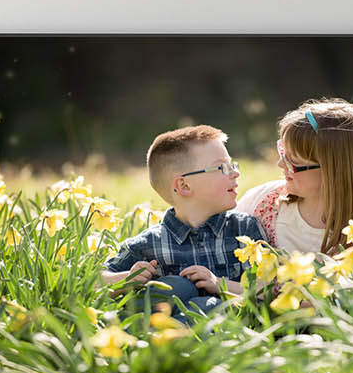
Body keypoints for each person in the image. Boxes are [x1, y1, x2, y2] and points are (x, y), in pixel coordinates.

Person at [101, 124, 266, 315]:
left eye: (232, 165)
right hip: (165, 329)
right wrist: (126, 279)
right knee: (179, 286)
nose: (235, 172)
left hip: (229, 332)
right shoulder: (149, 244)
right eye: (222, 167)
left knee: (209, 304)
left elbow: (269, 290)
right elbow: (96, 280)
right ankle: (141, 331)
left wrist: (220, 285)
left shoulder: (245, 229)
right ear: (184, 185)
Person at [236, 98, 353, 257]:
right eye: (283, 152)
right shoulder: (263, 202)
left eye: (294, 162)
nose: (280, 164)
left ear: (335, 172)